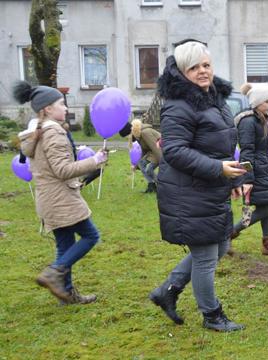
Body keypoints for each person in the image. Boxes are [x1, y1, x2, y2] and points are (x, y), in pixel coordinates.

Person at [148, 40, 246, 332]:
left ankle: (168, 290)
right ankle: (212, 315)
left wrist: (234, 178)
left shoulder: (213, 98)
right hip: (187, 190)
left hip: (210, 186)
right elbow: (175, 151)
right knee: (205, 255)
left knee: (221, 244)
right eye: (194, 67)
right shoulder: (178, 106)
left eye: (206, 65)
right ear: (181, 71)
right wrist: (218, 169)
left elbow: (222, 145)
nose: (203, 72)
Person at [14, 81, 108, 305]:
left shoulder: (38, 132)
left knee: (65, 245)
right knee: (90, 236)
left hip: (49, 199)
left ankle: (66, 294)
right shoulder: (53, 133)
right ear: (47, 109)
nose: (65, 108)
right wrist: (94, 161)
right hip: (61, 198)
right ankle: (53, 272)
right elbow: (63, 170)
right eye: (60, 104)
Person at [229, 83, 268, 256]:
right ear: (257, 102)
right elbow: (247, 151)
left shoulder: (262, 119)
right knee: (264, 210)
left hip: (264, 170)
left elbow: (264, 151)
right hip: (255, 173)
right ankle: (227, 235)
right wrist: (247, 179)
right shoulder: (248, 122)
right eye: (267, 101)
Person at [118, 119, 162, 193]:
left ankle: (162, 186)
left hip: (161, 151)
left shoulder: (145, 133)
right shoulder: (138, 135)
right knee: (141, 163)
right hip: (152, 152)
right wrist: (137, 165)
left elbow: (156, 148)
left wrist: (163, 162)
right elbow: (144, 151)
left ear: (130, 132)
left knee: (149, 169)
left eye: (127, 136)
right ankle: (151, 185)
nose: (127, 139)